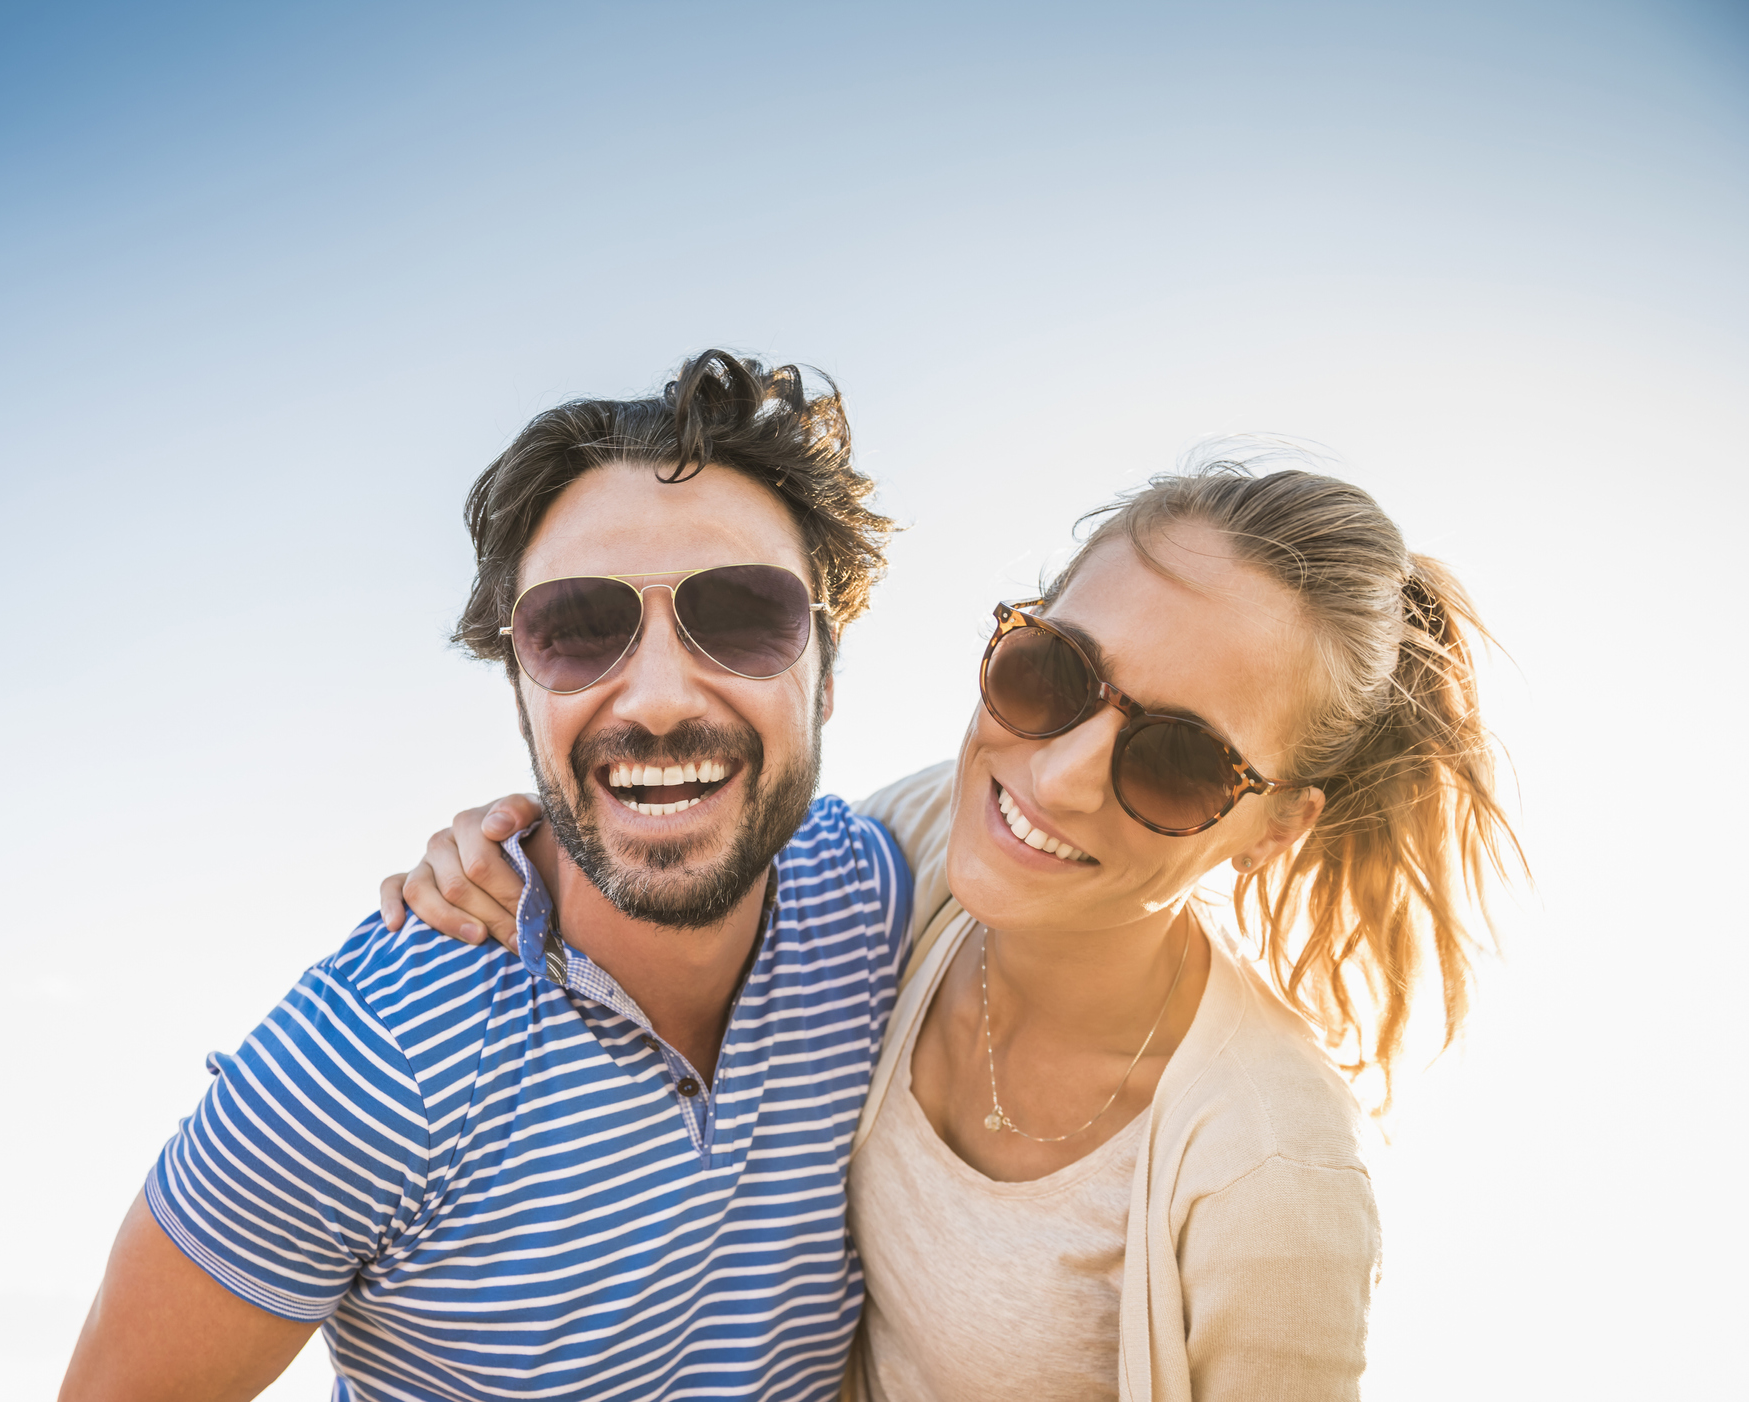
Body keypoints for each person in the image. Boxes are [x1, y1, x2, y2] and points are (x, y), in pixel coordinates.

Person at [388, 443, 1521, 1400]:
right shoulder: (927, 839)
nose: (1060, 776)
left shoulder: (1275, 1174)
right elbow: (691, 842)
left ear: (1274, 828)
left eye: (1178, 762)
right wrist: (508, 848)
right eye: (1053, 672)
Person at [58, 350, 915, 1402]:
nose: (652, 696)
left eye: (742, 614)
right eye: (580, 629)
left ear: (827, 674)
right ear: (521, 689)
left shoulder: (882, 900)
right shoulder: (365, 1062)